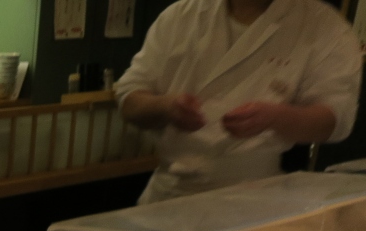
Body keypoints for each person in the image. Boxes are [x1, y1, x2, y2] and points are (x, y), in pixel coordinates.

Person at [115, 0, 362, 203]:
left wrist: (276, 118)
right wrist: (166, 107)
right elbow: (129, 97)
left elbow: (335, 119)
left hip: (253, 199)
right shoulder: (179, 16)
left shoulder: (323, 26)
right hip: (167, 195)